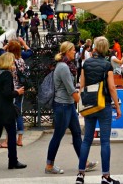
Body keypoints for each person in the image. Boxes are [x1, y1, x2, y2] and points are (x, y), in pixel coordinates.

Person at [46, 42, 95, 174]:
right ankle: (49, 166)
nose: (75, 52)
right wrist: (83, 107)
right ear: (67, 51)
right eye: (73, 50)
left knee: (77, 133)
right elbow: (71, 90)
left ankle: (83, 162)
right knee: (58, 135)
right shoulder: (63, 67)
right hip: (62, 106)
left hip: (67, 105)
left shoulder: (67, 66)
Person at [77, 37, 121, 184]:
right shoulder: (107, 65)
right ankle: (105, 176)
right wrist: (118, 106)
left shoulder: (86, 63)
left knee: (86, 140)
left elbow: (81, 85)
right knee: (105, 142)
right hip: (104, 105)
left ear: (95, 48)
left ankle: (80, 175)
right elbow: (112, 88)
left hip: (89, 105)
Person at [0, 39, 32, 148]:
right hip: (21, 89)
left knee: (10, 115)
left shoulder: (10, 61)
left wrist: (6, 45)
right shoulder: (21, 60)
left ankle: (8, 140)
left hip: (13, 90)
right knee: (18, 113)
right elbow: (30, 52)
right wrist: (23, 43)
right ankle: (20, 139)